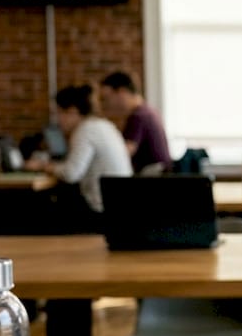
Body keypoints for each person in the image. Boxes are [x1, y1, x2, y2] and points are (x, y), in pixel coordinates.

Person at [24, 85, 132, 231]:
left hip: (100, 211)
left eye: (58, 113)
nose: (57, 121)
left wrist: (43, 166)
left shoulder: (85, 130)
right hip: (120, 208)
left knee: (38, 209)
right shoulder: (104, 125)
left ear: (72, 111)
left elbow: (71, 173)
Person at [99, 71, 171, 174]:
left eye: (106, 98)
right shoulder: (148, 111)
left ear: (122, 92)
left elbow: (124, 153)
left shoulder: (138, 116)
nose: (105, 104)